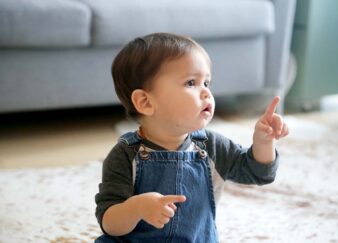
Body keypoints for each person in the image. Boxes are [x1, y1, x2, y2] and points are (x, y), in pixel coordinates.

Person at [95, 32, 289, 243]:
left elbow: (257, 172)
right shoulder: (125, 154)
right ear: (145, 102)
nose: (206, 93)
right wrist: (136, 208)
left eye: (206, 83)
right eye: (190, 83)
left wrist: (263, 142)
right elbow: (109, 222)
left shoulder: (211, 146)